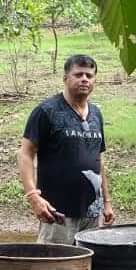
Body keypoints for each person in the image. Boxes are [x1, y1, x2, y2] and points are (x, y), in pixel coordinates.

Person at [18, 53, 115, 244]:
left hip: (92, 212)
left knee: (88, 268)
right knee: (53, 268)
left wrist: (107, 202)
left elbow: (98, 159)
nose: (84, 79)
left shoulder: (96, 114)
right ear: (65, 78)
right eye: (78, 75)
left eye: (89, 75)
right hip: (57, 212)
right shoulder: (47, 111)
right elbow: (25, 153)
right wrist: (32, 196)